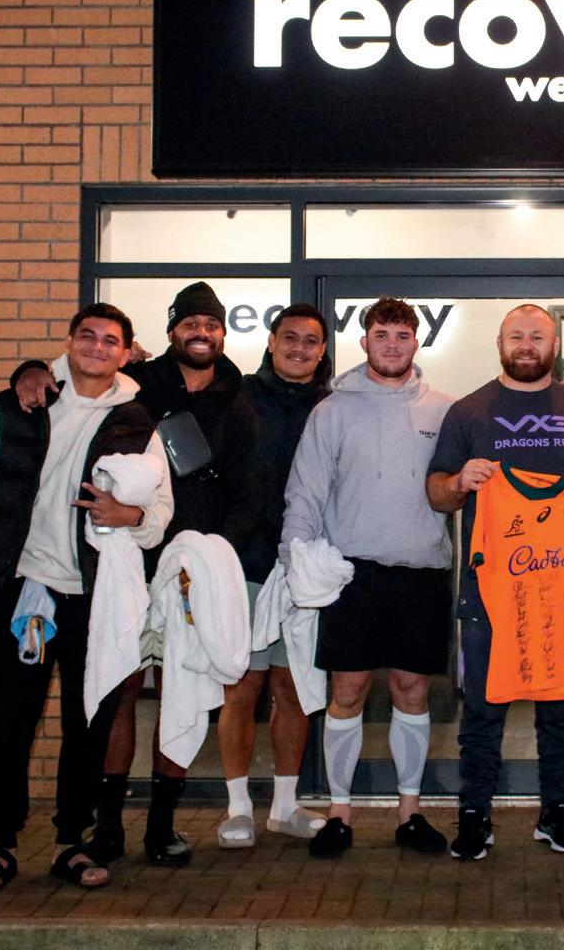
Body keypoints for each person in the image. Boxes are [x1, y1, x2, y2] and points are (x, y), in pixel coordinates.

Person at [12, 281, 262, 865]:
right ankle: (106, 826)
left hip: (192, 570)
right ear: (172, 330)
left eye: (212, 325)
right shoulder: (135, 385)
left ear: (223, 335)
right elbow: (71, 377)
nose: (201, 333)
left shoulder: (239, 403)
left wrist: (212, 556)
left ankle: (162, 826)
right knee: (119, 686)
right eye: (191, 323)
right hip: (125, 560)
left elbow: (253, 495)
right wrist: (29, 370)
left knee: (182, 689)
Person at [0, 303, 173, 891]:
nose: (97, 347)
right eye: (88, 336)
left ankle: (70, 843)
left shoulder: (138, 421)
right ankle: (1, 844)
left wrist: (130, 515)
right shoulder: (25, 401)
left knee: (89, 723)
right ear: (68, 341)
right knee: (7, 722)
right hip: (24, 586)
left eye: (111, 340)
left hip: (93, 594)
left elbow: (161, 511)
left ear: (126, 352)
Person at [427, 304, 564, 861]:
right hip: (488, 588)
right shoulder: (468, 411)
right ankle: (474, 814)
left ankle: (557, 811)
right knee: (484, 707)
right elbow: (436, 494)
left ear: (555, 346)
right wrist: (461, 480)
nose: (526, 344)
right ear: (500, 344)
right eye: (516, 336)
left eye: (537, 336)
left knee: (559, 710)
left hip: (562, 587)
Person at [280, 297, 453, 859]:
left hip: (422, 574)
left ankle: (410, 813)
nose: (392, 345)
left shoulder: (445, 409)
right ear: (364, 342)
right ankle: (339, 813)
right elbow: (305, 493)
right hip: (352, 576)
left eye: (402, 335)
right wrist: (295, 559)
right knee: (347, 693)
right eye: (382, 335)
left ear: (416, 343)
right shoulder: (331, 411)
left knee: (412, 691)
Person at [218, 303, 334, 847]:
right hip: (246, 563)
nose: (299, 348)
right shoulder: (236, 397)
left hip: (305, 570)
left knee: (293, 688)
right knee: (242, 688)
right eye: (290, 338)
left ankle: (285, 808)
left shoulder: (332, 406)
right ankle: (238, 808)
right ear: (271, 342)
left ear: (322, 351)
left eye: (310, 341)